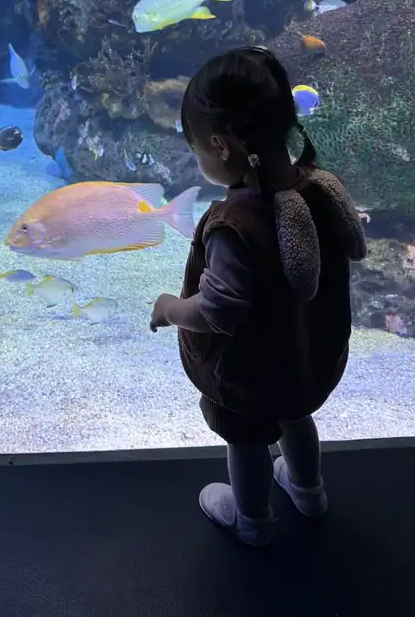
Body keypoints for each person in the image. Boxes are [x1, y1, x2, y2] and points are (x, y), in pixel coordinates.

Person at [149, 46, 366, 546]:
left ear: (221, 146)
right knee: (295, 416)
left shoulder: (235, 224)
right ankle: (309, 492)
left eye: (197, 149)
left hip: (251, 370)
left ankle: (251, 520)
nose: (200, 158)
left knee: (247, 437)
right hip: (307, 355)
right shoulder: (318, 189)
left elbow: (218, 311)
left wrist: (171, 308)